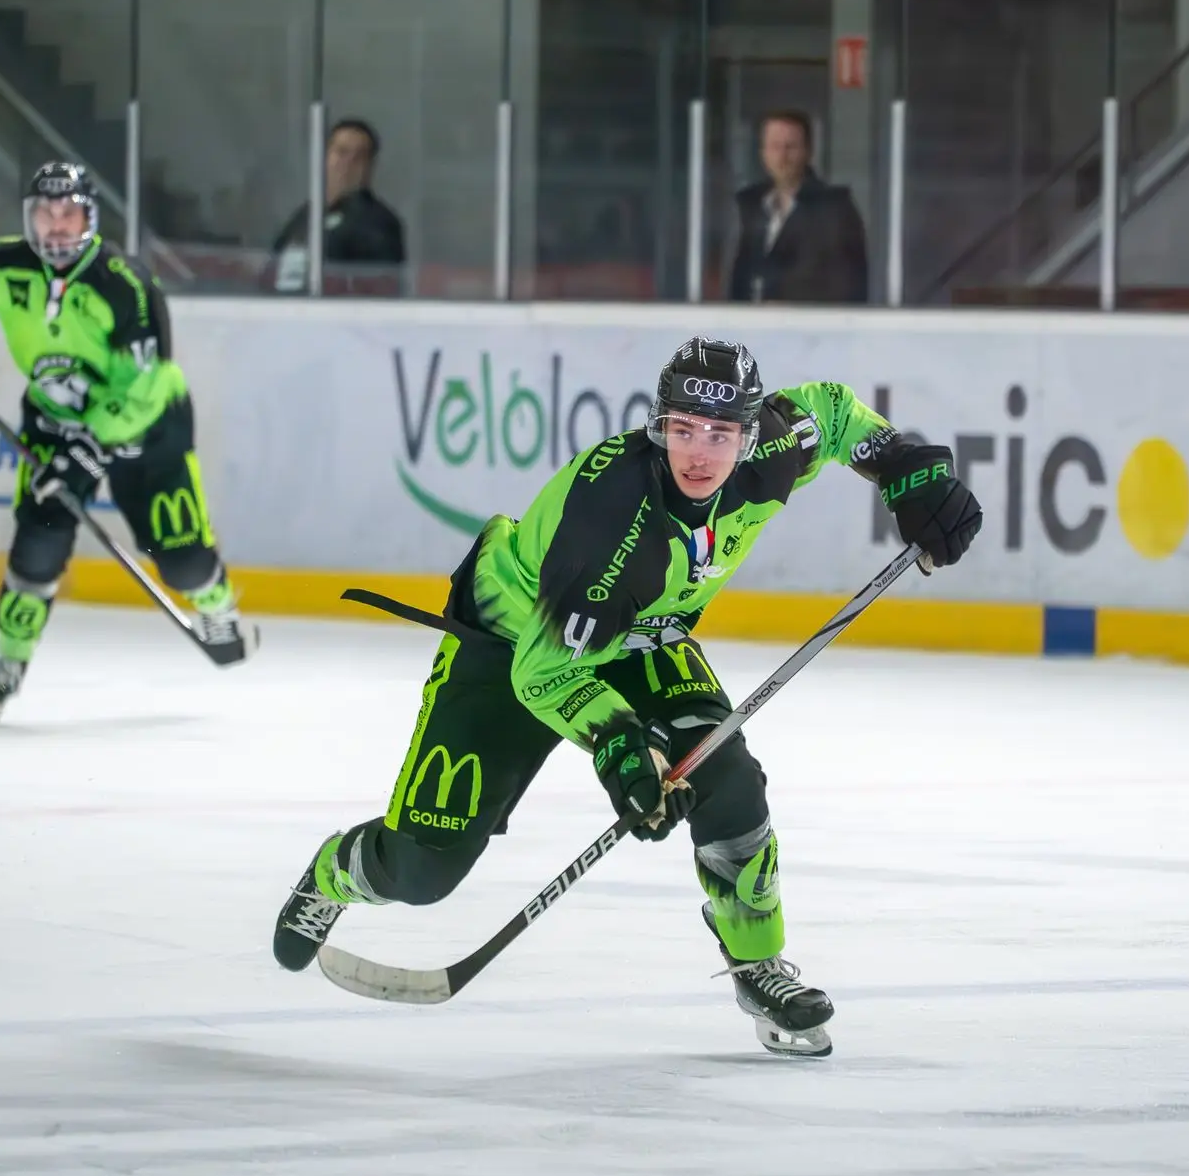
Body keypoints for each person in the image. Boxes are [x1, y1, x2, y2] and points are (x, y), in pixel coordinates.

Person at [272, 336, 982, 1056]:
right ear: (658, 425)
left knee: (730, 780)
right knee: (423, 869)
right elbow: (545, 674)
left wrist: (907, 470)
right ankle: (336, 872)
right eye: (683, 430)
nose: (699, 454)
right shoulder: (610, 524)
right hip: (513, 640)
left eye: (719, 434)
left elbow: (831, 414)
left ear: (748, 434)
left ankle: (757, 962)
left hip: (641, 636)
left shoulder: (772, 448)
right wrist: (621, 748)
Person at [0, 161, 251, 724]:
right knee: (38, 544)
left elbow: (144, 384)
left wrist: (89, 449)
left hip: (147, 427)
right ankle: (10, 661)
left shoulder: (125, 284)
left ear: (90, 218)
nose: (56, 225)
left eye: (68, 213)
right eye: (45, 213)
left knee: (183, 561)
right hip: (54, 422)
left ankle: (216, 604)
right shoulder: (1, 263)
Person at [727, 110, 869, 305]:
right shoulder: (749, 205)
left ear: (808, 152)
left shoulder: (833, 209)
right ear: (763, 152)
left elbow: (848, 287)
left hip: (807, 322)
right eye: (774, 146)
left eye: (791, 147)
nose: (782, 156)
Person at [264, 118, 406, 293]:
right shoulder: (307, 215)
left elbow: (381, 287)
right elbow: (273, 268)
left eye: (359, 156)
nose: (348, 163)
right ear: (325, 157)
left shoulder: (379, 222)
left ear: (370, 166)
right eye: (342, 152)